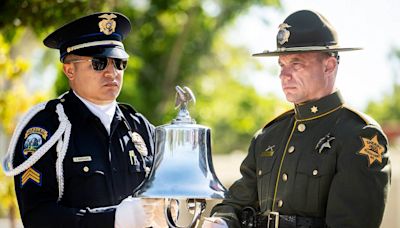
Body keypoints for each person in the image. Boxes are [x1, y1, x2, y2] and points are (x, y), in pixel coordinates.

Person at [202, 9, 391, 228]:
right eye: (281, 65)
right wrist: (221, 222)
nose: (283, 75)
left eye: (296, 64)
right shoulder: (268, 136)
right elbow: (236, 201)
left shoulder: (359, 135)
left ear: (329, 66)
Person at [2, 12, 161, 227]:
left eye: (119, 63)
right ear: (69, 70)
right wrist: (112, 220)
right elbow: (37, 216)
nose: (111, 72)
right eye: (99, 63)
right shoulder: (46, 129)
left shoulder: (139, 126)